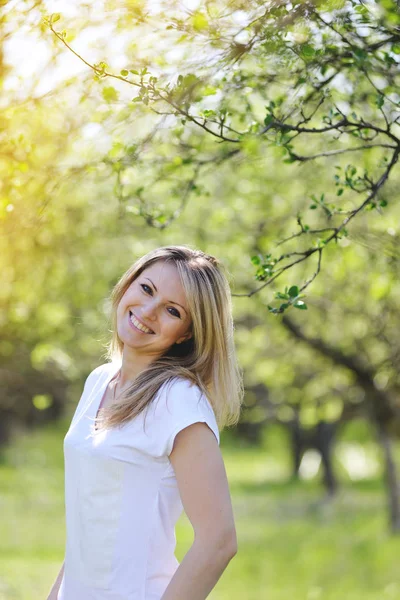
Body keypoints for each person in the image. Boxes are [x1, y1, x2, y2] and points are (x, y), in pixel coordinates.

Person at [46, 245, 243, 600]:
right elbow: (90, 525)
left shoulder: (178, 401)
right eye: (147, 289)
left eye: (172, 310)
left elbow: (219, 541)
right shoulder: (99, 381)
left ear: (186, 332)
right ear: (128, 284)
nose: (148, 312)